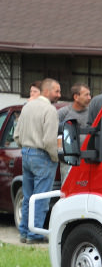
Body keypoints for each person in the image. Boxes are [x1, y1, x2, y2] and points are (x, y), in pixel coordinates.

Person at [13, 78, 62, 244]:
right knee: (41, 198)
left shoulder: (27, 107)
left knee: (28, 197)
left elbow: (16, 135)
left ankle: (25, 232)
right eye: (57, 91)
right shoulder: (50, 110)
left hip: (26, 152)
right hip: (42, 155)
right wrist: (56, 157)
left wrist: (26, 147)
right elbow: (49, 140)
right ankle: (35, 234)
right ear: (46, 91)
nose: (59, 94)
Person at [57, 83, 91, 183]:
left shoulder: (92, 112)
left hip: (87, 159)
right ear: (76, 97)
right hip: (68, 160)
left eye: (90, 95)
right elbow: (55, 134)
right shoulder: (63, 113)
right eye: (86, 95)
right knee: (68, 187)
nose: (89, 98)